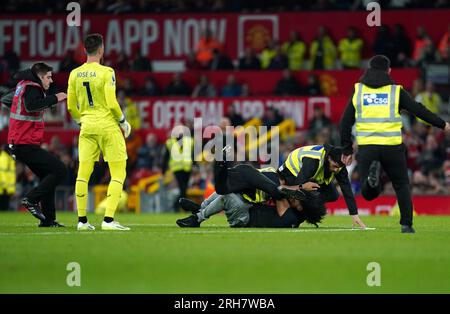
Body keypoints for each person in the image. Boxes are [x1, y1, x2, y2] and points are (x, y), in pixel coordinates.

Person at [340, 55, 450, 233]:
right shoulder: (395, 91)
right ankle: (406, 225)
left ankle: (372, 181)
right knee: (401, 185)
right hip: (392, 146)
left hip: (368, 147)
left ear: (369, 70)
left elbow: (345, 122)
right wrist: (443, 124)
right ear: (389, 71)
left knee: (368, 193)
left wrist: (346, 149)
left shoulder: (358, 91)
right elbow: (418, 110)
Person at [67, 33, 131, 231]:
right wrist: (123, 121)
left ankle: (82, 221)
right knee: (118, 173)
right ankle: (109, 220)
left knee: (83, 174)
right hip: (108, 127)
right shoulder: (107, 72)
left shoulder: (74, 74)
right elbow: (112, 102)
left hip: (87, 127)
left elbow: (70, 106)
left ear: (85, 50)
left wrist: (81, 121)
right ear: (101, 50)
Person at [1, 62, 67, 226]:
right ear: (40, 76)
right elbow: (31, 106)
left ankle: (48, 220)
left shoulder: (22, 85)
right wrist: (54, 98)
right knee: (60, 170)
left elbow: (5, 99)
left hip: (20, 142)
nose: (51, 81)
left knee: (48, 174)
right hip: (24, 143)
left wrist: (20, 107)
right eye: (49, 77)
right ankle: (31, 199)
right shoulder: (33, 87)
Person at [278, 144, 366, 228]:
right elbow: (299, 183)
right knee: (308, 197)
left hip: (309, 176)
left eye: (338, 167)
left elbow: (346, 188)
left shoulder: (339, 164)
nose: (336, 170)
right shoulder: (313, 161)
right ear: (329, 158)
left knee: (333, 195)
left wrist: (354, 215)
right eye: (334, 166)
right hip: (290, 174)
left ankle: (306, 210)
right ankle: (295, 216)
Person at [161, 124, 195, 211]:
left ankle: (177, 205)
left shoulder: (190, 141)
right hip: (177, 169)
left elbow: (194, 154)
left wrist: (195, 165)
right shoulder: (170, 142)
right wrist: (163, 170)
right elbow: (166, 157)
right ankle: (181, 207)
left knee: (184, 188)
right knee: (182, 188)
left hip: (187, 168)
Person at [0, 144, 15, 211]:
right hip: (3, 186)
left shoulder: (9, 159)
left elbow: (11, 173)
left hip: (6, 186)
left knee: (5, 206)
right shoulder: (3, 159)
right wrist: (5, 185)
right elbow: (2, 173)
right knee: (3, 206)